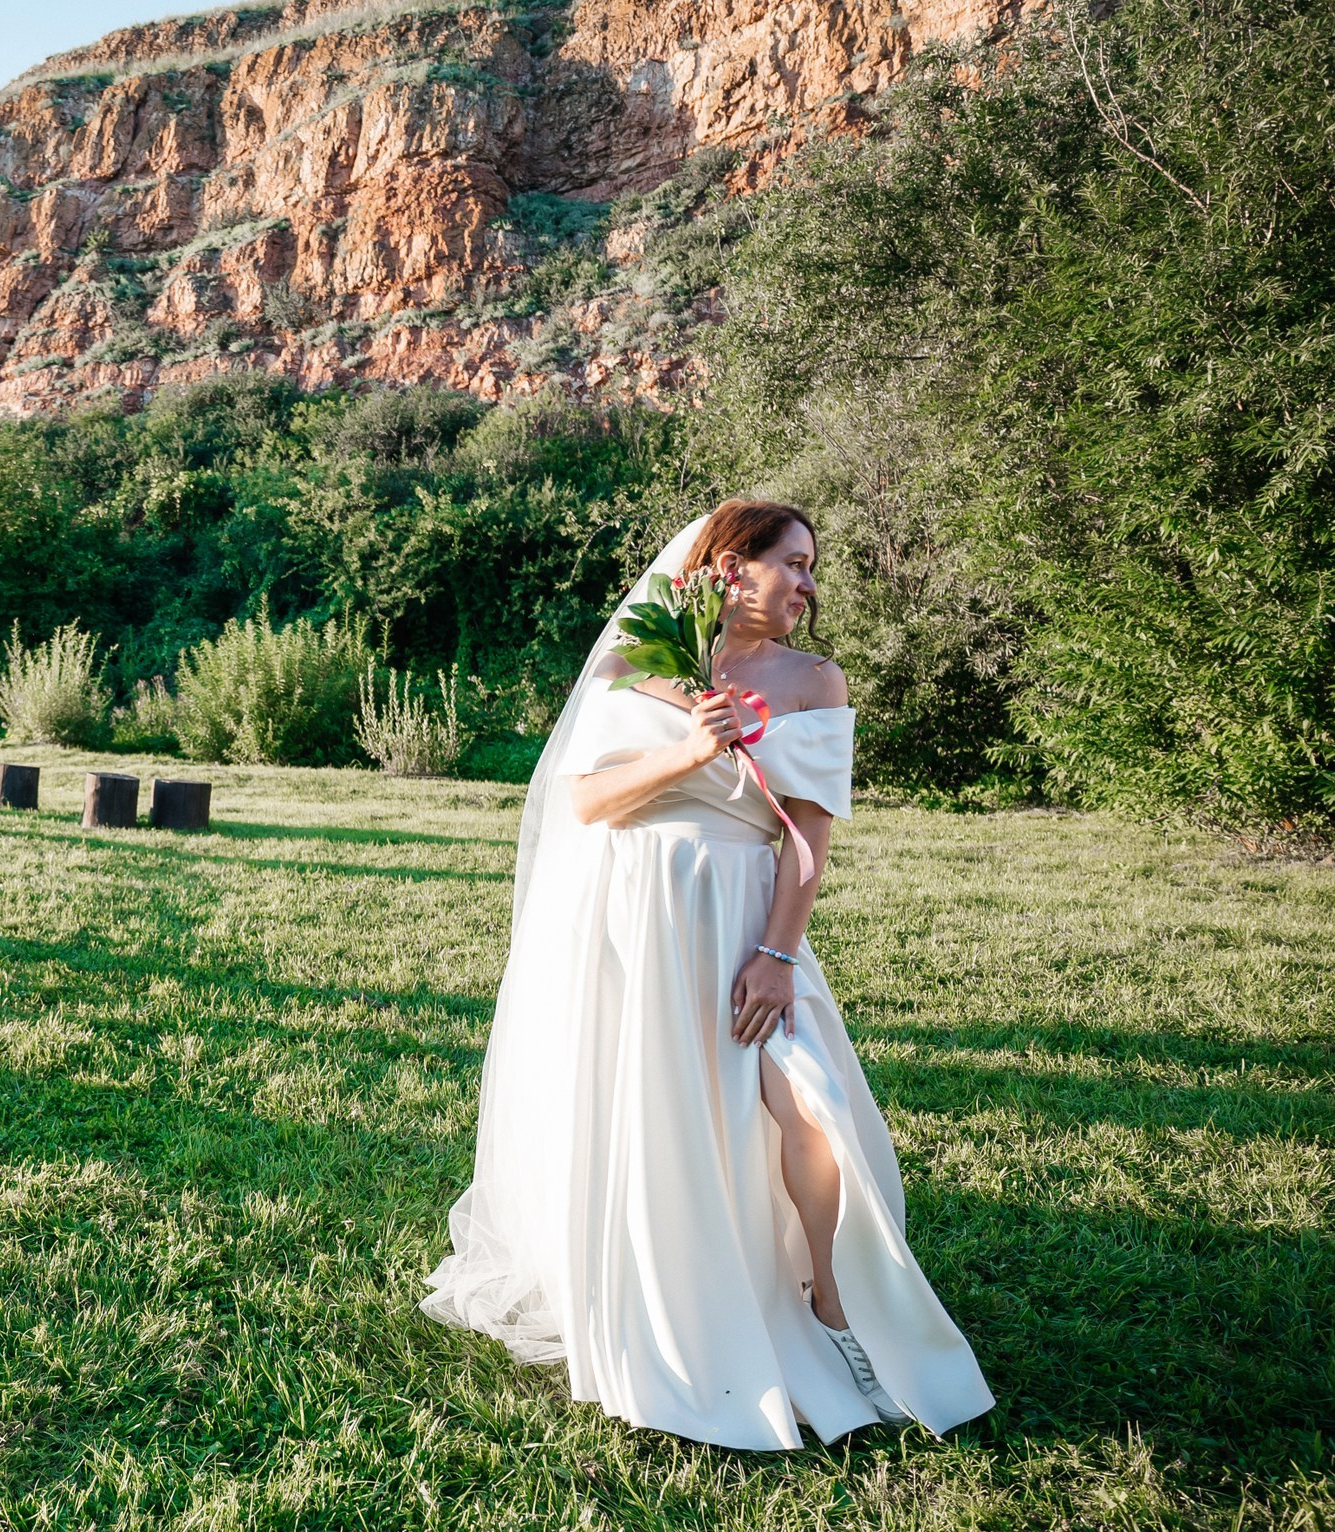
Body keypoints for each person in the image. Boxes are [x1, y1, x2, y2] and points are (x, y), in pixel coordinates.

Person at [420, 500, 994, 1449]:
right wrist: (692, 744)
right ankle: (674, 1304)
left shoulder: (814, 680)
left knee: (809, 1109)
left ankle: (832, 1303)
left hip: (743, 919)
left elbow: (808, 838)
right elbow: (590, 800)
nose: (809, 584)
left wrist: (775, 955)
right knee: (659, 1113)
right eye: (794, 564)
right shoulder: (640, 663)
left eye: (812, 568)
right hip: (639, 920)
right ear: (731, 566)